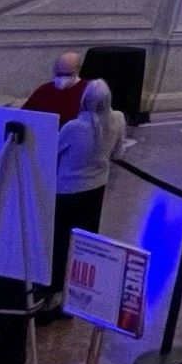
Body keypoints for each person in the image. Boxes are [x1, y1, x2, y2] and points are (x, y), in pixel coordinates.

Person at [46, 79, 124, 312]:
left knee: (60, 242)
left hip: (67, 191)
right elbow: (118, 153)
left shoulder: (73, 128)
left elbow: (53, 155)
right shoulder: (118, 119)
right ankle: (79, 293)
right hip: (96, 189)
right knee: (85, 242)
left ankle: (54, 295)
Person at [23, 50, 88, 127]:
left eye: (68, 74)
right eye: (59, 74)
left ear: (78, 70)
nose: (63, 78)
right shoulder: (44, 91)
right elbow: (23, 116)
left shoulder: (88, 91)